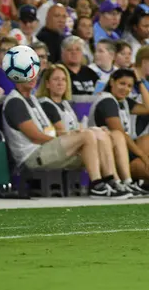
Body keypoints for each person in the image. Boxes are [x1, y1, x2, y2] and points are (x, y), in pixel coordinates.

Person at [1, 76, 129, 199]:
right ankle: (97, 185)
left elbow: (50, 131)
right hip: (31, 156)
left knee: (98, 133)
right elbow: (35, 136)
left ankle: (113, 182)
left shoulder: (33, 99)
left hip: (45, 149)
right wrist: (67, 138)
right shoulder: (15, 102)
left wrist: (70, 135)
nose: (32, 78)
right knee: (87, 135)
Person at [36, 65, 145, 196]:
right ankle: (105, 183)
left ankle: (120, 182)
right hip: (60, 147)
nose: (60, 83)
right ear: (47, 84)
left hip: (78, 144)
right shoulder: (47, 103)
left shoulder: (65, 104)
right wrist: (143, 157)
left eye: (64, 80)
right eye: (56, 79)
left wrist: (140, 82)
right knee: (111, 134)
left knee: (107, 133)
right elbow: (61, 132)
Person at [88, 69, 149, 182]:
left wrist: (140, 82)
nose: (125, 89)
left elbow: (147, 108)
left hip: (124, 150)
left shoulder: (124, 101)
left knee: (147, 140)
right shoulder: (107, 101)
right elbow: (120, 133)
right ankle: (128, 180)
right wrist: (143, 156)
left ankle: (140, 181)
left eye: (129, 86)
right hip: (107, 155)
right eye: (122, 83)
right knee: (144, 167)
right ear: (112, 82)